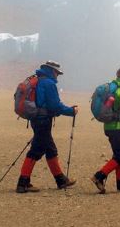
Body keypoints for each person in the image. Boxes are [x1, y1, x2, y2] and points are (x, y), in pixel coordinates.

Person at [16, 60, 78, 193]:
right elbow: (54, 105)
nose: (58, 76)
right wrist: (71, 111)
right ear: (52, 71)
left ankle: (60, 180)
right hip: (43, 121)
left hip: (37, 120)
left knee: (49, 150)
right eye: (57, 73)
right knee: (36, 151)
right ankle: (23, 183)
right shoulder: (48, 83)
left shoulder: (38, 80)